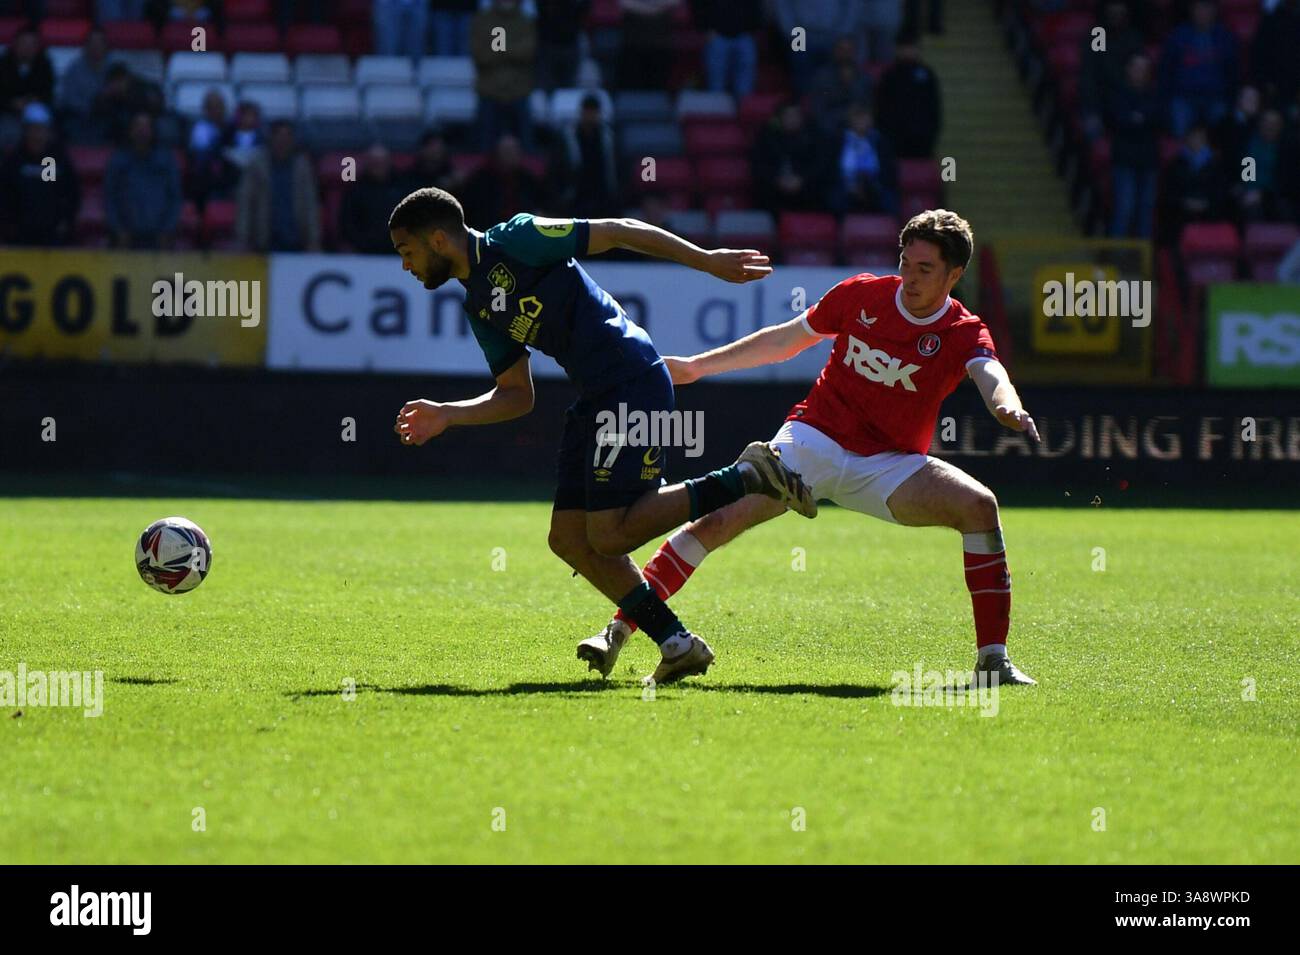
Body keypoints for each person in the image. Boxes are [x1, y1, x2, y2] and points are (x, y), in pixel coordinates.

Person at [581, 210, 1039, 688]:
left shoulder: (963, 330)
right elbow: (784, 341)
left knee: (980, 507)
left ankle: (993, 662)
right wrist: (696, 367)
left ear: (954, 275)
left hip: (889, 465)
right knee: (716, 521)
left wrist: (1007, 405)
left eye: (925, 269)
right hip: (812, 441)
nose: (909, 277)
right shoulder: (862, 295)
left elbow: (990, 373)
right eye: (906, 262)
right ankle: (617, 630)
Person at [388, 189, 817, 684]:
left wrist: (705, 260)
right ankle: (677, 644)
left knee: (612, 535)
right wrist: (449, 414)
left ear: (438, 239)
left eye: (408, 252)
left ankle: (745, 476)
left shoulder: (518, 238)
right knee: (569, 539)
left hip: (633, 380)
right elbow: (516, 394)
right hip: (597, 397)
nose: (406, 266)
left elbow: (617, 230)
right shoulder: (479, 307)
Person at [0, 102, 80, 246]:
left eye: (42, 130)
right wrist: (9, 226)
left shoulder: (58, 159)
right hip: (19, 237)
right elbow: (5, 195)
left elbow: (72, 194)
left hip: (53, 237)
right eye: (33, 130)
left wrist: (66, 221)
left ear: (49, 132)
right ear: (25, 131)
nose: (37, 135)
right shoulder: (14, 161)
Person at [235, 120, 320, 252]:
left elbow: (310, 205)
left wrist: (314, 240)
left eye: (287, 137)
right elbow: (245, 202)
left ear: (292, 140)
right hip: (264, 242)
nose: (283, 142)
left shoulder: (302, 167)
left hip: (296, 241)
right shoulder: (256, 166)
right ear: (271, 139)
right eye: (279, 137)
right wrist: (243, 238)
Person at [104, 111, 181, 249]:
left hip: (160, 238)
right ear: (130, 131)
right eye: (137, 126)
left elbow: (175, 197)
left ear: (153, 131)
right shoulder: (118, 160)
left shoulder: (166, 159)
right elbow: (109, 198)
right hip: (125, 238)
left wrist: (167, 229)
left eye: (146, 126)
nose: (141, 130)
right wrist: (118, 229)